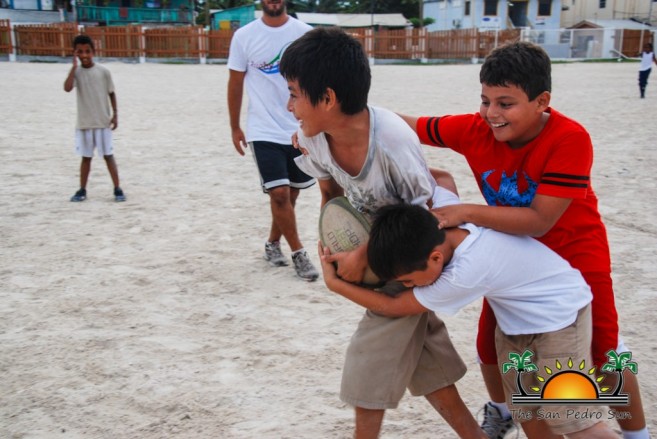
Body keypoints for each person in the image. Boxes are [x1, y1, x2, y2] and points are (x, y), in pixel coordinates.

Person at [401, 41, 649, 439]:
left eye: (505, 103)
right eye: (485, 101)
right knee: (488, 347)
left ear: (542, 101)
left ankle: (637, 434)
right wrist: (340, 123)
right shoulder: (474, 128)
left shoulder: (570, 138)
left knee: (605, 351)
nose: (491, 114)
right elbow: (403, 126)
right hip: (514, 257)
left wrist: (465, 211)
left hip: (574, 251)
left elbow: (539, 220)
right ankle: (503, 412)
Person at [280, 27, 484, 439]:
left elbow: (421, 222)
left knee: (370, 354)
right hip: (384, 250)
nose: (289, 106)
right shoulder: (313, 138)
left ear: (329, 98)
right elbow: (331, 192)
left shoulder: (392, 143)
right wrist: (337, 241)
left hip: (415, 252)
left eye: (295, 94)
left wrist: (363, 257)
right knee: (424, 356)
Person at [319, 200, 620, 439]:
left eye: (409, 280)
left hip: (561, 319)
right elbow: (442, 185)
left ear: (436, 258)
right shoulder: (447, 225)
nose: (410, 285)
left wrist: (336, 285)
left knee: (576, 421)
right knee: (528, 412)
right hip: (516, 326)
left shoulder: (463, 274)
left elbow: (393, 306)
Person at [226, 0, 318, 281]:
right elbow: (235, 82)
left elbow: (316, 80)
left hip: (298, 126)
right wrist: (235, 127)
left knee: (291, 193)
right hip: (262, 128)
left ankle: (272, 243)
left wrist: (316, 124)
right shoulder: (244, 36)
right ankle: (299, 253)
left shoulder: (305, 34)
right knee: (278, 193)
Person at [64, 34, 125, 203]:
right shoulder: (76, 73)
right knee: (86, 158)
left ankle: (117, 188)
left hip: (102, 121)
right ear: (75, 53)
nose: (84, 55)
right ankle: (82, 189)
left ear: (93, 51)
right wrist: (72, 68)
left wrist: (115, 115)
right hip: (84, 123)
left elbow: (111, 93)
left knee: (108, 155)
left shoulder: (103, 72)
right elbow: (67, 88)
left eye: (87, 51)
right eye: (80, 52)